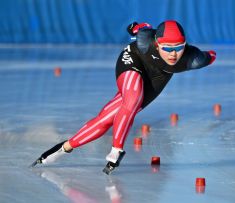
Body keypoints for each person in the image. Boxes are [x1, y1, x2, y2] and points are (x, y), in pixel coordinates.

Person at [31, 20, 216, 174]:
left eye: (179, 47)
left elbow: (211, 56)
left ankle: (60, 149)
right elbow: (137, 28)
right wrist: (135, 27)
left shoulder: (194, 58)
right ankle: (116, 151)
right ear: (157, 43)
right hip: (133, 60)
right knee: (133, 97)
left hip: (156, 78)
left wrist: (211, 55)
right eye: (167, 48)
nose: (173, 54)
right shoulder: (145, 40)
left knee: (105, 119)